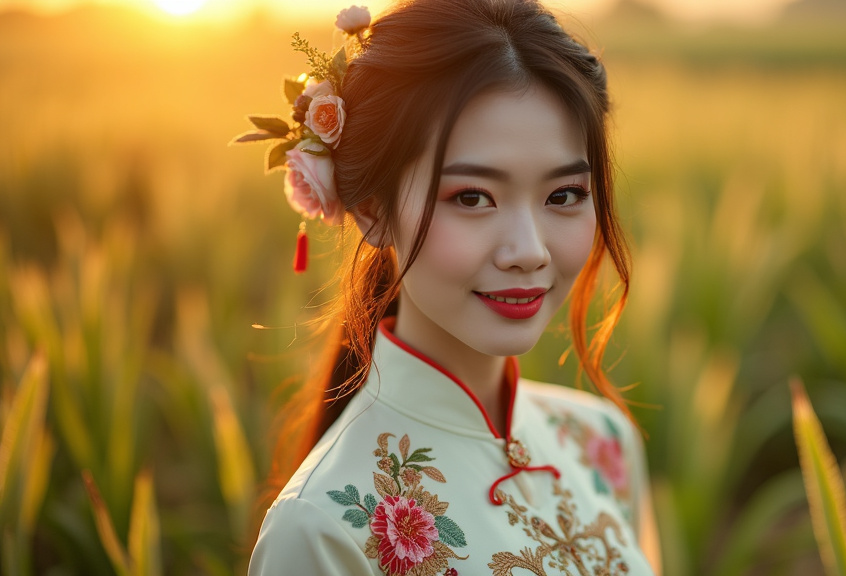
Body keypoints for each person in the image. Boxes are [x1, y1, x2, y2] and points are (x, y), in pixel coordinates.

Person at [243, 0, 661, 573]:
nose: (529, 251)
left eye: (564, 195)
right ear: (371, 208)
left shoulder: (601, 443)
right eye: (472, 198)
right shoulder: (323, 527)